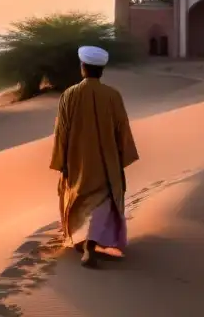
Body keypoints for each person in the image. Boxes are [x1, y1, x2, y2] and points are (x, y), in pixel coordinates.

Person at [49, 45, 139, 268]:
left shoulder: (69, 95)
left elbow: (61, 132)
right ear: (101, 70)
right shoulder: (113, 96)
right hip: (107, 163)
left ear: (83, 68)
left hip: (77, 162)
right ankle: (91, 244)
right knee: (104, 202)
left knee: (78, 200)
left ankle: (82, 241)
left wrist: (62, 162)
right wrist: (121, 158)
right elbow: (122, 129)